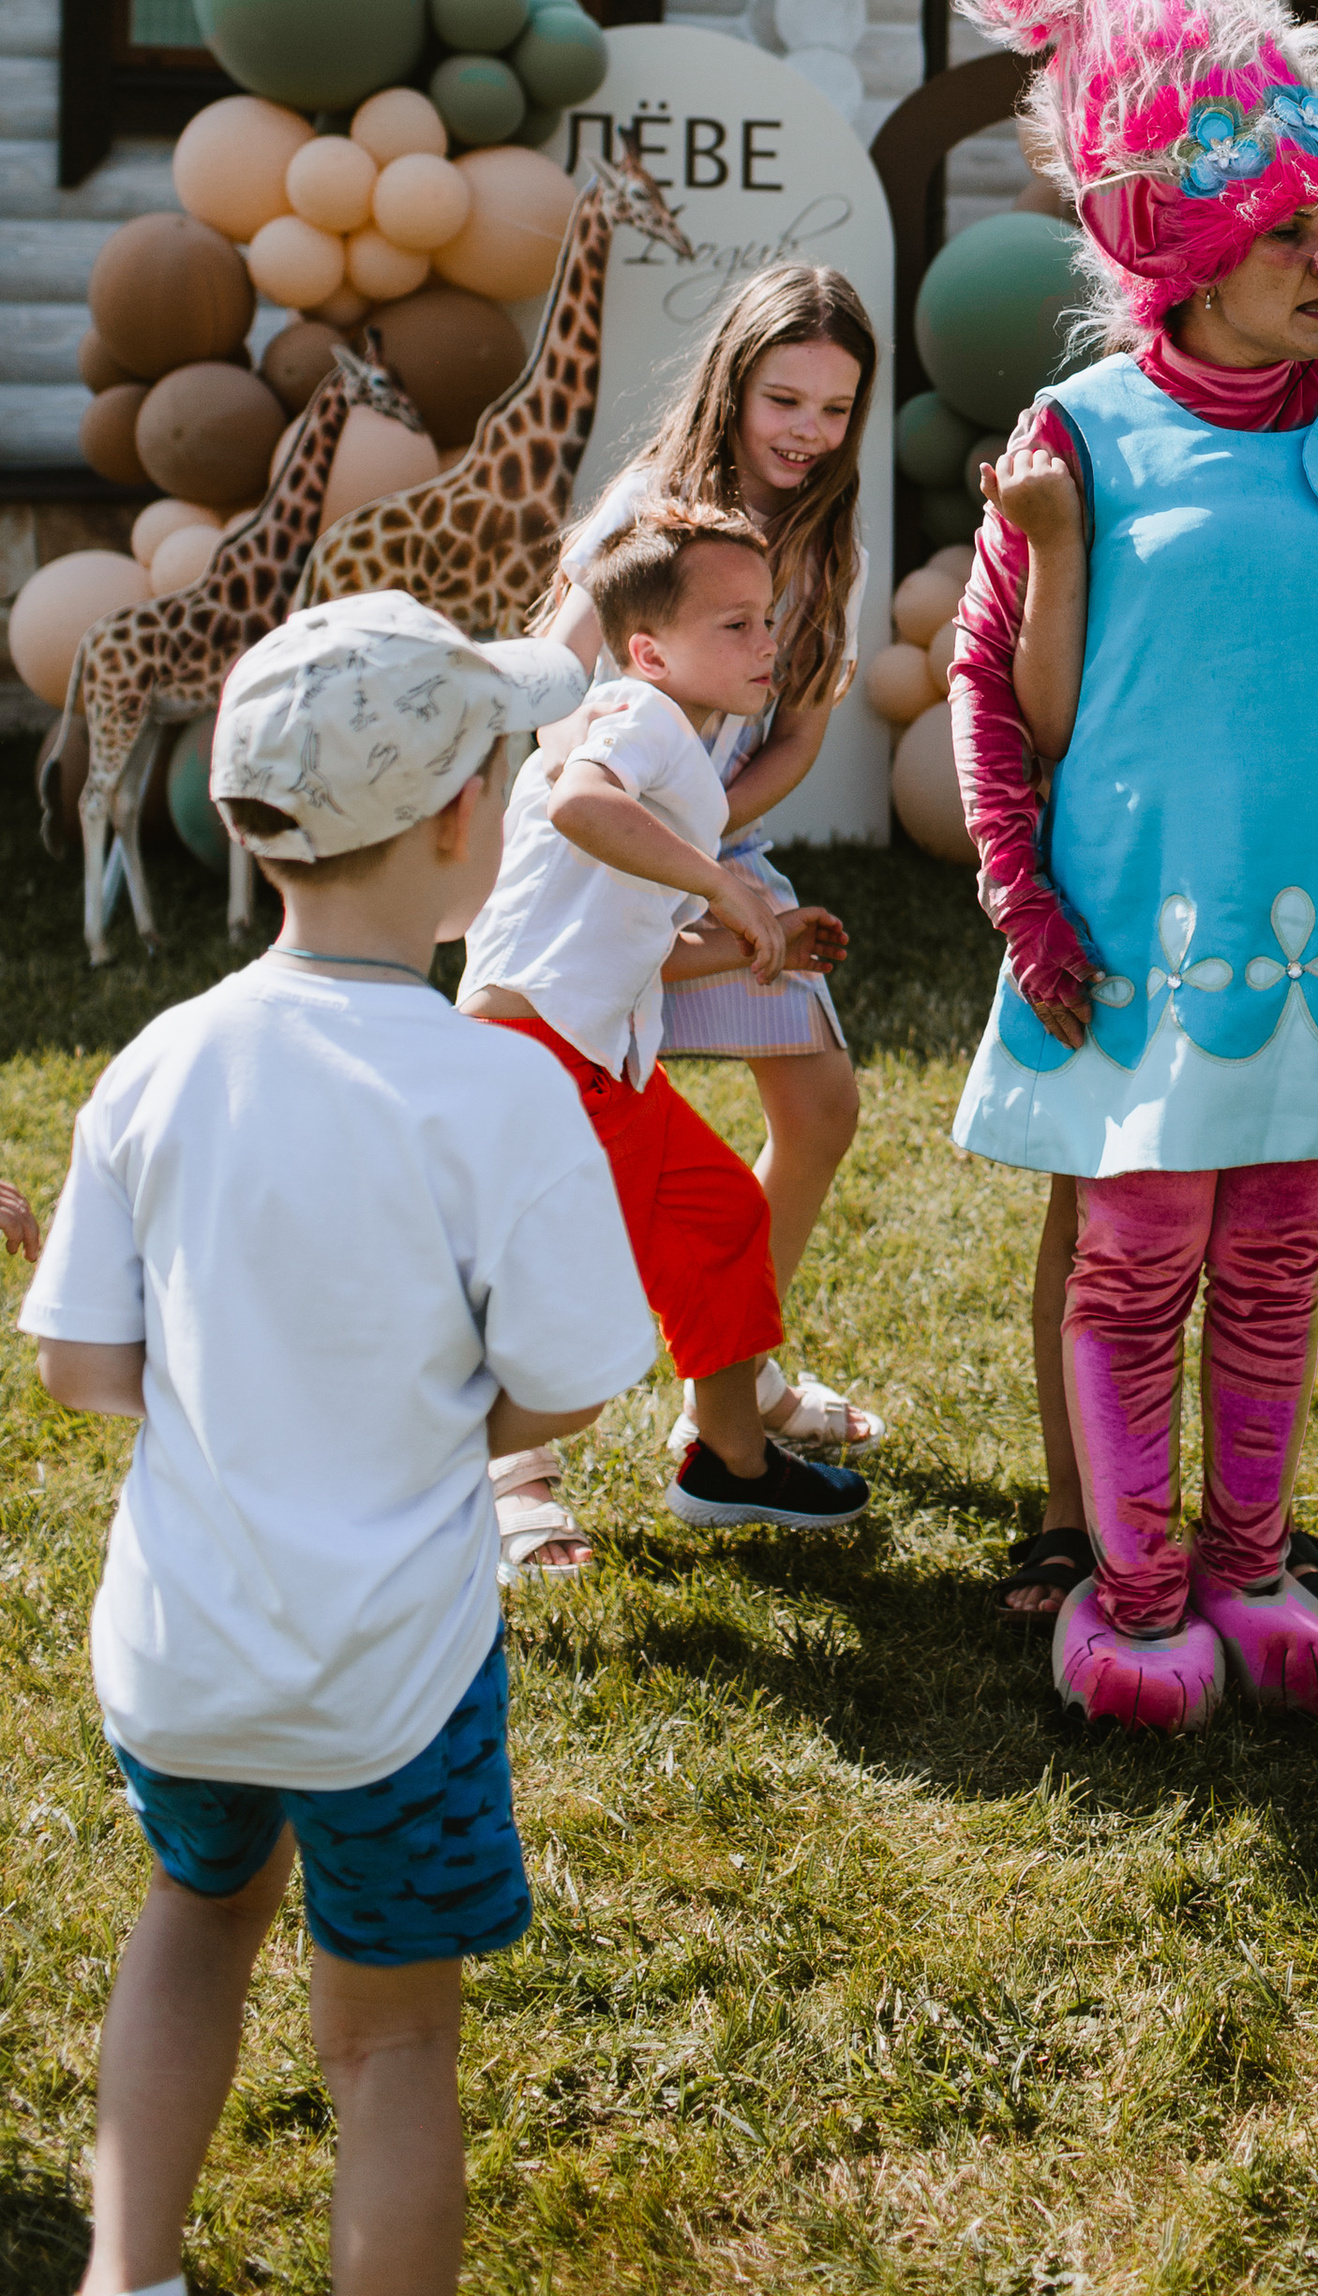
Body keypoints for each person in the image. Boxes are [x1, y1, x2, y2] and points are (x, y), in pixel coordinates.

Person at [17, 591, 658, 2296]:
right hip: (399, 1677)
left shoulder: (152, 1065)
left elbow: (83, 1363)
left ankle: (126, 2276)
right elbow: (574, 1383)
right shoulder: (498, 1089)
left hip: (184, 1656)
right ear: (460, 824)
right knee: (390, 2053)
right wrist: (446, 1410)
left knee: (194, 1921)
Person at [944, 0, 1318, 1731]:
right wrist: (1022, 899)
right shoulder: (1082, 437)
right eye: (1291, 236)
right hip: (1142, 924)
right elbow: (997, 699)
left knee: (1280, 1254)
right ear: (1176, 235)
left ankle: (1253, 1575)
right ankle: (1137, 1589)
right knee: (1140, 1253)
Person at [460, 504, 872, 1557]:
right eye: (732, 625)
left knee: (725, 1212)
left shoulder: (676, 754)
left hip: (594, 1057)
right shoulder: (635, 715)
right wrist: (721, 890)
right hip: (540, 1059)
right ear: (648, 649)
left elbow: (632, 943)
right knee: (570, 1325)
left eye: (764, 620)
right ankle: (441, 1472)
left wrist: (755, 938)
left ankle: (727, 1464)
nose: (766, 643)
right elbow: (577, 809)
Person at [545, 261, 882, 1476]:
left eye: (836, 411)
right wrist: (663, 837)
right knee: (560, 1156)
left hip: (720, 842)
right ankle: (514, 1468)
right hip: (605, 848)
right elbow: (551, 682)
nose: (809, 433)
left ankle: (727, 1383)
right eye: (785, 400)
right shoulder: (652, 507)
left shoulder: (824, 532)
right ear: (734, 384)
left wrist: (712, 836)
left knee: (821, 1105)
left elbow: (798, 733)